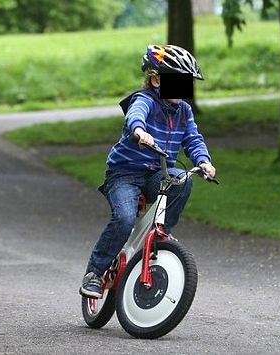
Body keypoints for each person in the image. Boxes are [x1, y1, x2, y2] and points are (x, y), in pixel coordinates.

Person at [79, 44, 216, 299]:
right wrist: (140, 132)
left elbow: (193, 139)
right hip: (125, 174)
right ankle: (95, 273)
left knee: (183, 180)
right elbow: (135, 115)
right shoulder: (144, 100)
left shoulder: (184, 110)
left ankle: (164, 231)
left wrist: (204, 161)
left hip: (157, 173)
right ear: (155, 80)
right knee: (124, 219)